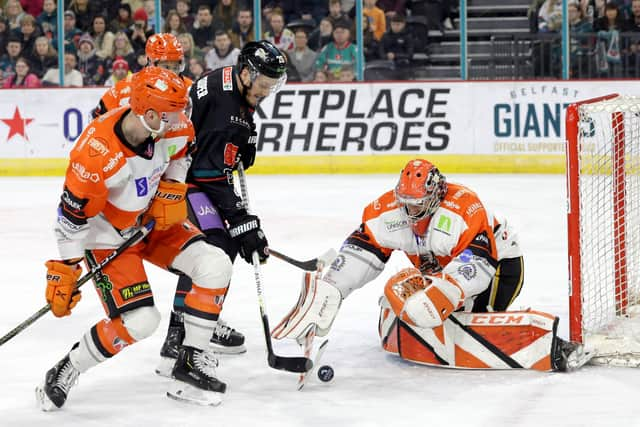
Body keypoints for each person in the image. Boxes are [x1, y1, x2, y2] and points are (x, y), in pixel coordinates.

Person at [35, 66, 230, 410]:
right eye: (171, 115)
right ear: (150, 113)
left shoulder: (171, 124)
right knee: (142, 321)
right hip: (108, 236)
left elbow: (182, 152)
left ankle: (189, 361)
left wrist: (172, 184)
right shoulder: (95, 156)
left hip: (153, 221)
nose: (181, 120)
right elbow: (71, 220)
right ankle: (68, 366)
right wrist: (66, 269)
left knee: (215, 265)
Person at [273, 159, 586, 372]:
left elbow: (478, 263)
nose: (411, 209)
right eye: (405, 201)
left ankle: (552, 346)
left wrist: (445, 293)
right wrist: (332, 287)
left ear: (436, 195)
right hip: (440, 270)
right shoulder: (387, 210)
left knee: (472, 320)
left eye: (419, 202)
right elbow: (363, 250)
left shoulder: (464, 207)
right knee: (407, 309)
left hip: (499, 265)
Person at [156, 40, 288, 376]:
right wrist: (243, 221)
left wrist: (243, 142)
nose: (267, 90)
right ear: (247, 72)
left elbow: (220, 148)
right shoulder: (227, 113)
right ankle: (180, 333)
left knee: (221, 245)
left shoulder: (228, 81)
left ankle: (198, 320)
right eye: (264, 84)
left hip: (188, 172)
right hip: (180, 180)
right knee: (213, 246)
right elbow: (209, 173)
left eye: (273, 84)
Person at [92, 33, 190, 117]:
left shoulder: (190, 89)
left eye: (176, 67)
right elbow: (97, 120)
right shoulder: (123, 90)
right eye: (166, 67)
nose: (172, 74)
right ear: (150, 63)